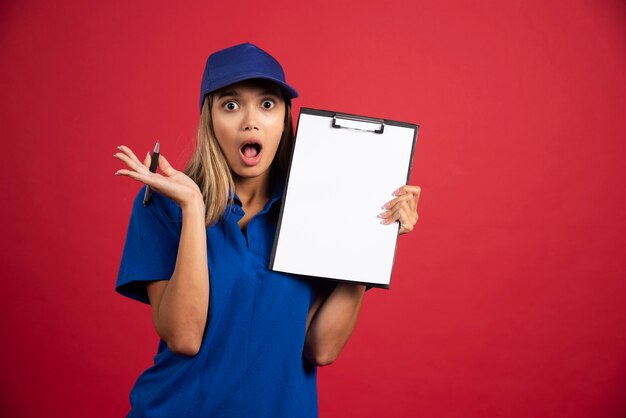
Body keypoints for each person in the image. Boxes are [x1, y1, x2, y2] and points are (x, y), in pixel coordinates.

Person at [114, 42, 421, 418]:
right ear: (208, 119)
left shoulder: (317, 209)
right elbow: (184, 337)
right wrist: (193, 208)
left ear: (286, 119)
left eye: (267, 104)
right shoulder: (164, 204)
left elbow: (322, 349)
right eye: (230, 105)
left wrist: (368, 237)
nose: (250, 121)